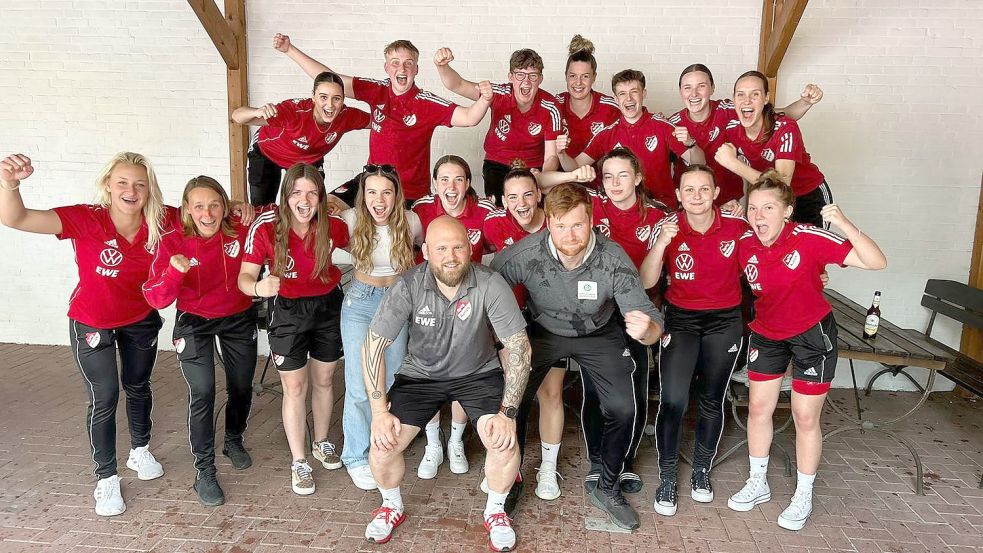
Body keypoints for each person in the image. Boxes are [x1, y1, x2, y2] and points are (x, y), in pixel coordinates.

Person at [0, 152, 171, 517]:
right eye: (123, 182)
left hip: (140, 317)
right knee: (105, 396)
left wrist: (242, 210)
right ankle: (106, 478)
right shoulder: (85, 218)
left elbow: (207, 212)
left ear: (149, 190)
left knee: (138, 385)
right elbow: (16, 217)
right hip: (92, 320)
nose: (131, 190)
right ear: (108, 186)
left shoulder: (163, 219)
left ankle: (139, 450)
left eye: (140, 183)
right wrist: (10, 185)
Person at [491, 183, 664, 531]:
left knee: (623, 408)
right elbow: (487, 289)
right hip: (543, 332)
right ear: (549, 224)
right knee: (513, 399)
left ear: (591, 221)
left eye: (578, 225)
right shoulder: (526, 254)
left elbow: (650, 317)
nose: (569, 235)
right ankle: (512, 479)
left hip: (598, 333)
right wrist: (503, 340)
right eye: (561, 226)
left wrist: (646, 330)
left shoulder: (612, 258)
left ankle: (608, 485)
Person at [360, 216, 531, 551]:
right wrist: (379, 412)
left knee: (504, 441)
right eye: (441, 248)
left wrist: (508, 413)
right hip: (420, 376)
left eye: (457, 247)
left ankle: (496, 511)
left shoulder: (489, 282)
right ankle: (391, 505)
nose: (451, 255)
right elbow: (373, 346)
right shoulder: (409, 285)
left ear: (469, 248)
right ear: (426, 252)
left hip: (478, 374)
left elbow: (519, 348)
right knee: (382, 446)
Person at [728, 170, 886, 530]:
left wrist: (844, 222)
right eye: (753, 208)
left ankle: (803, 493)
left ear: (787, 211)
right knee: (758, 408)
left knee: (804, 417)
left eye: (768, 208)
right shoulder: (745, 244)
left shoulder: (809, 237)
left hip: (812, 335)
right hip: (767, 333)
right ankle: (758, 482)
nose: (759, 216)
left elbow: (877, 262)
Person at [638, 165, 750, 516]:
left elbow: (761, 263)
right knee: (672, 400)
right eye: (689, 190)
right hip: (681, 320)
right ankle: (668, 476)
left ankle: (701, 470)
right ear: (680, 194)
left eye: (704, 189)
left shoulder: (737, 227)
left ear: (716, 193)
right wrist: (662, 243)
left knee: (711, 398)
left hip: (725, 321)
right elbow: (645, 280)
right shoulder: (668, 226)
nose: (697, 197)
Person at [142, 176, 259, 506]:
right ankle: (203, 470)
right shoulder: (172, 240)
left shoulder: (239, 225)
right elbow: (156, 298)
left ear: (225, 206)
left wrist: (248, 207)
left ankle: (234, 439)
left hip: (238, 315)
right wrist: (174, 273)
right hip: (194, 321)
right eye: (199, 207)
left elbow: (277, 214)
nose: (207, 214)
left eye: (214, 205)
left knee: (241, 385)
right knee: (203, 391)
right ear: (187, 210)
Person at [274, 33, 493, 203]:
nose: (402, 67)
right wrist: (289, 49)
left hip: (409, 193)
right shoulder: (375, 90)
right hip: (373, 183)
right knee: (326, 207)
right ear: (386, 68)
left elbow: (468, 117)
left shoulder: (426, 102)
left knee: (404, 246)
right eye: (395, 62)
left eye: (409, 63)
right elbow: (331, 80)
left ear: (416, 69)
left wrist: (484, 99)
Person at [239, 163, 350, 496]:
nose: (305, 200)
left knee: (326, 379)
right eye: (297, 192)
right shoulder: (266, 227)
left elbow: (365, 247)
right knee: (295, 386)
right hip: (287, 311)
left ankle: (322, 441)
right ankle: (299, 460)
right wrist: (260, 288)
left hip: (327, 305)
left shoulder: (333, 225)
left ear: (320, 197)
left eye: (312, 192)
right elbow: (244, 279)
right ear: (286, 195)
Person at [582, 148, 667, 494]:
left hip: (635, 312)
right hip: (597, 314)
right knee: (594, 389)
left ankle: (626, 459)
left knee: (634, 387)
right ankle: (598, 459)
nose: (615, 184)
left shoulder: (657, 215)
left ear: (638, 177)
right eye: (608, 177)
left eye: (622, 175)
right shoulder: (590, 208)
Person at [483, 164, 566, 502]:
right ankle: (509, 466)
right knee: (511, 395)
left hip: (552, 319)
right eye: (513, 197)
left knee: (551, 393)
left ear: (539, 195)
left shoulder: (555, 223)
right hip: (511, 320)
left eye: (528, 195)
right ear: (504, 201)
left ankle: (547, 467)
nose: (521, 203)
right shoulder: (494, 224)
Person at [338, 165, 423, 490]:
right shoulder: (351, 220)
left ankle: (384, 442)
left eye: (386, 192)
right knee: (361, 381)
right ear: (363, 195)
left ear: (396, 195)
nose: (379, 199)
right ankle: (356, 456)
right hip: (361, 301)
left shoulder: (411, 221)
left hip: (398, 301)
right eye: (371, 192)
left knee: (394, 375)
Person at [411, 155, 496, 479]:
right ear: (434, 184)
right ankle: (433, 441)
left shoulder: (484, 211)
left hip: (469, 305)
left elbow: (506, 240)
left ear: (468, 183)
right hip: (429, 304)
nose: (451, 186)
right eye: (444, 179)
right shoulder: (421, 209)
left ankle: (456, 440)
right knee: (429, 370)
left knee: (466, 368)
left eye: (458, 179)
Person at [668, 64, 823, 213]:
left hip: (804, 194)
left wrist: (805, 103)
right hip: (760, 198)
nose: (694, 93)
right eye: (687, 87)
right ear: (680, 91)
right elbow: (698, 162)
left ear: (712, 88)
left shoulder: (731, 114)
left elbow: (779, 114)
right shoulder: (673, 125)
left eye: (701, 86)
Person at [550, 69, 704, 209]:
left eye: (634, 92)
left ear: (643, 94)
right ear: (616, 99)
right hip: (621, 209)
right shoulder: (606, 134)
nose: (628, 98)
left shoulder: (663, 126)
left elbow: (699, 163)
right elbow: (575, 167)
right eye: (622, 93)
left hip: (660, 206)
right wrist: (562, 153)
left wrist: (691, 143)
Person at [433, 46, 563, 205]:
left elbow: (551, 156)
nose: (526, 82)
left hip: (532, 168)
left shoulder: (551, 106)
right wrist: (443, 66)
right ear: (510, 77)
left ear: (540, 79)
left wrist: (542, 177)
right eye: (520, 75)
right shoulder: (498, 93)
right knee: (498, 210)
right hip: (497, 164)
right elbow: (458, 85)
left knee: (531, 210)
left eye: (533, 75)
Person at [232, 71, 370, 206]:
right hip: (267, 152)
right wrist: (256, 111)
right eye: (323, 97)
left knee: (312, 204)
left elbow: (379, 122)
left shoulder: (346, 116)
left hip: (308, 159)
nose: (330, 105)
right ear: (313, 97)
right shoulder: (295, 112)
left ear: (343, 99)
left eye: (336, 98)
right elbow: (237, 116)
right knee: (262, 207)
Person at [715, 70, 832, 227]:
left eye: (755, 94)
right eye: (740, 95)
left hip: (806, 195)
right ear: (734, 99)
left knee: (811, 249)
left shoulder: (785, 128)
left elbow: (781, 185)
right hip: (769, 200)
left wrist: (732, 163)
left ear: (766, 98)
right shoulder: (731, 125)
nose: (747, 100)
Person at [554, 35, 620, 164]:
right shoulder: (554, 105)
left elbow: (635, 123)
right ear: (566, 76)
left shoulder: (611, 108)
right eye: (573, 76)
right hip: (564, 180)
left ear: (594, 77)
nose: (578, 83)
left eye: (585, 76)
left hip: (603, 180)